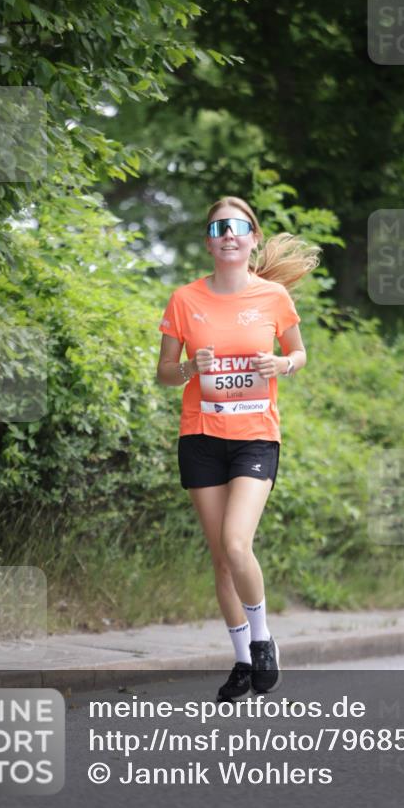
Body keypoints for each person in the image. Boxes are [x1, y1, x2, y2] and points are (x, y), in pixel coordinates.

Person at [156, 196, 320, 702]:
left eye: (239, 226)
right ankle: (243, 662)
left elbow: (299, 352)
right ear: (209, 240)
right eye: (219, 227)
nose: (229, 233)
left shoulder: (272, 297)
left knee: (236, 543)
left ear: (251, 238)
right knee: (221, 560)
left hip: (254, 436)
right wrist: (190, 368)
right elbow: (163, 374)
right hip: (201, 437)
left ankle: (263, 638)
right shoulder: (185, 299)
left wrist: (283, 365)